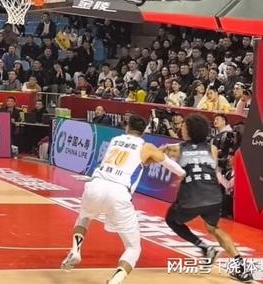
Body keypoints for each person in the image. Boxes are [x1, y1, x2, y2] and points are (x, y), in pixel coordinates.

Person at [61, 115, 186, 284]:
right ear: (144, 131)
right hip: (119, 193)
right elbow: (169, 164)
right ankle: (116, 280)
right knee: (133, 247)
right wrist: (184, 174)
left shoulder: (115, 140)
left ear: (127, 127)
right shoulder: (146, 147)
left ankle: (76, 249)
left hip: (96, 184)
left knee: (84, 217)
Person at [161, 114, 253, 282]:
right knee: (214, 228)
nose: (182, 129)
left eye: (184, 126)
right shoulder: (213, 149)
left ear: (189, 130)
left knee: (171, 219)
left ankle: (204, 247)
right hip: (214, 195)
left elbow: (160, 153)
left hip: (191, 195)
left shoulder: (177, 148)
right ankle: (242, 268)